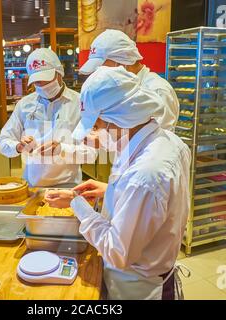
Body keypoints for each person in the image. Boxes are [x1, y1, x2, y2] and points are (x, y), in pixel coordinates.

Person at [45, 66, 191, 300]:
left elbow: (116, 252)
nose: (96, 135)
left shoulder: (145, 175)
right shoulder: (166, 141)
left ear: (119, 120)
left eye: (98, 127)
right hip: (146, 275)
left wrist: (77, 205)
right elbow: (158, 207)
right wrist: (110, 190)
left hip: (137, 288)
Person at [0, 48, 95, 187]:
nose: (42, 84)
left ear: (59, 73)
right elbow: (3, 142)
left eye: (46, 79)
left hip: (68, 185)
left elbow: (91, 153)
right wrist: (19, 146)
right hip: (32, 186)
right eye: (37, 81)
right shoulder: (25, 105)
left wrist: (61, 149)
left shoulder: (80, 104)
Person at [79, 29, 179, 131]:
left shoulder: (158, 90)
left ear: (122, 61)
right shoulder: (121, 89)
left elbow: (158, 140)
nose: (99, 72)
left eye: (102, 67)